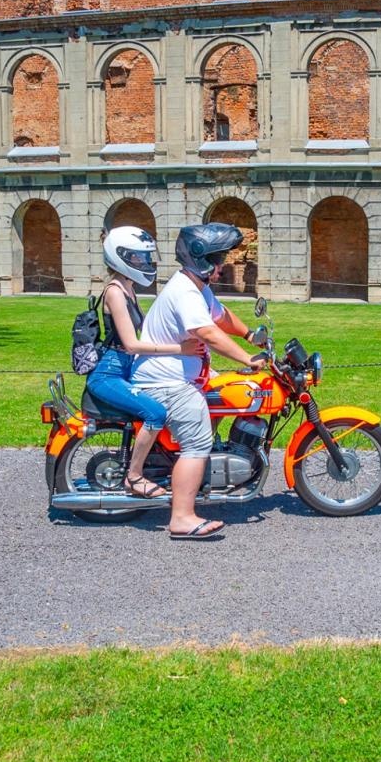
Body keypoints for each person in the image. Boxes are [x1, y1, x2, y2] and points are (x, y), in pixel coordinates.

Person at [131, 223, 266, 540]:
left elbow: (219, 316)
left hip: (180, 375)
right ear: (201, 258)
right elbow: (207, 333)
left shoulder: (197, 288)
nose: (222, 266)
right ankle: (181, 518)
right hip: (167, 382)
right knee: (196, 443)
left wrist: (250, 335)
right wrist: (247, 358)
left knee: (227, 393)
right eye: (219, 258)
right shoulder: (186, 292)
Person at [84, 226, 205, 500]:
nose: (145, 263)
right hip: (109, 374)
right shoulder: (115, 291)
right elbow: (131, 344)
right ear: (120, 258)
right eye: (138, 258)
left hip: (125, 369)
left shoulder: (129, 287)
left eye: (145, 258)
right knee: (155, 413)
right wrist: (182, 349)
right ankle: (134, 477)